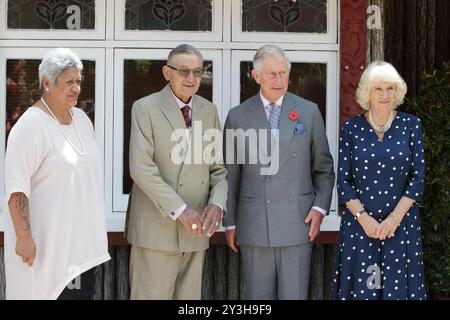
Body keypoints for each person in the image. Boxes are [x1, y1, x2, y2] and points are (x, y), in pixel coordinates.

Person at [223, 44, 335, 299]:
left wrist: (319, 209)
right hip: (253, 226)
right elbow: (230, 174)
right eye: (272, 74)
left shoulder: (309, 111)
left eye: (283, 73)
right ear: (256, 76)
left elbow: (324, 167)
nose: (279, 80)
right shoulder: (237, 117)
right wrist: (229, 222)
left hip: (298, 224)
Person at [4, 48, 110, 300]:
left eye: (78, 81)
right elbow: (16, 188)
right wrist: (24, 237)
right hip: (46, 250)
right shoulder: (30, 126)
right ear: (47, 83)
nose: (76, 88)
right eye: (68, 82)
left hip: (82, 249)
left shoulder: (82, 119)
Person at [125, 44, 227, 300]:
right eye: (183, 71)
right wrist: (181, 211)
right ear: (166, 72)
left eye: (197, 71)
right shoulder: (144, 108)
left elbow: (218, 169)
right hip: (155, 231)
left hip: (196, 234)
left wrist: (217, 204)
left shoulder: (209, 110)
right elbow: (141, 169)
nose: (191, 78)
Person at [331, 61, 426, 300]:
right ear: (367, 93)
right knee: (363, 292)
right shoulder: (351, 128)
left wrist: (394, 219)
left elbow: (417, 178)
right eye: (378, 89)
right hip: (360, 228)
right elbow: (343, 180)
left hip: (401, 225)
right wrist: (364, 219)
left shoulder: (411, 125)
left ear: (397, 92)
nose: (385, 95)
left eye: (390, 88)